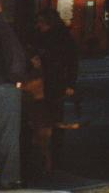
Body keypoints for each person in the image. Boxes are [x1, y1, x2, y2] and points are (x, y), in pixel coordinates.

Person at [33, 9, 78, 168]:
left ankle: (51, 157)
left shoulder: (56, 39)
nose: (38, 26)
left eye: (41, 22)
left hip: (53, 83)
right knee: (54, 119)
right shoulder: (60, 37)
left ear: (48, 23)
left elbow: (71, 62)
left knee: (52, 120)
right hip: (53, 83)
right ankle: (53, 157)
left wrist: (70, 84)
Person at [0, 1, 26, 189]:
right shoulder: (1, 26)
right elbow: (15, 55)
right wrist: (17, 79)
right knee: (7, 134)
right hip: (3, 86)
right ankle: (9, 179)